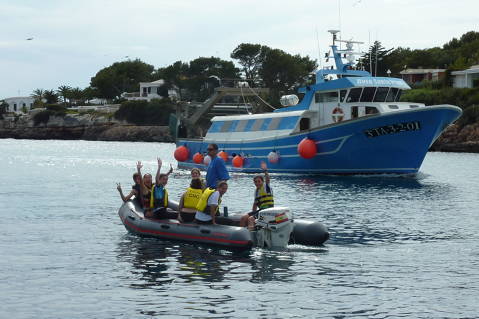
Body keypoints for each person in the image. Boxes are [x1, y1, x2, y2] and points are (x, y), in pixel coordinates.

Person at [239, 161, 274, 229]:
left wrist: (265, 171)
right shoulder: (256, 191)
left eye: (259, 181)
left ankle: (251, 238)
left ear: (262, 182)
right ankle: (241, 235)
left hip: (268, 211)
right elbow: (255, 204)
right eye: (255, 182)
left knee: (251, 219)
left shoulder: (266, 187)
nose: (257, 183)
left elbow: (267, 180)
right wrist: (253, 212)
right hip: (261, 211)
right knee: (243, 218)